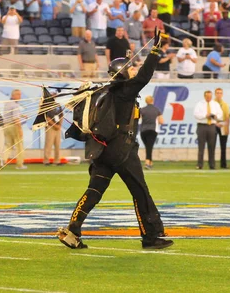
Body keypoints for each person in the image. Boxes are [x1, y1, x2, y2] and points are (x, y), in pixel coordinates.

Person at [58, 28, 173, 250]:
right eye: (129, 70)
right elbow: (144, 75)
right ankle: (151, 236)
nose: (133, 72)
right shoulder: (125, 91)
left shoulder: (106, 91)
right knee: (140, 191)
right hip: (122, 150)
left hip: (103, 150)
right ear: (122, 73)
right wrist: (155, 51)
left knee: (94, 191)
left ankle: (73, 230)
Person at [194, 90, 224, 169]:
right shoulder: (200, 104)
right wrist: (205, 115)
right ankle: (200, 164)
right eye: (207, 96)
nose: (209, 98)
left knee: (212, 146)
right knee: (201, 147)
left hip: (212, 126)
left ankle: (212, 164)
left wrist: (215, 116)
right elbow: (196, 114)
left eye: (210, 96)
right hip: (202, 126)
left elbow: (220, 114)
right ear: (204, 96)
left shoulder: (215, 104)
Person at [4, 89, 27, 170]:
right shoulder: (15, 105)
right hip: (14, 126)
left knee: (8, 145)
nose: (19, 96)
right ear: (13, 95)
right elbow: (15, 119)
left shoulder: (7, 103)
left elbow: (11, 114)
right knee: (19, 145)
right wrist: (20, 129)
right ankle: (20, 164)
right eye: (17, 94)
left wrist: (22, 115)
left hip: (6, 126)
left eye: (20, 94)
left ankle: (2, 161)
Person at [140, 96, 164, 170]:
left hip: (143, 131)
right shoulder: (156, 110)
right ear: (152, 101)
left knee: (148, 146)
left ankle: (150, 162)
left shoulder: (142, 110)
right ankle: (147, 163)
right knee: (149, 147)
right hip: (152, 130)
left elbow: (139, 119)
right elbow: (161, 121)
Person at [215, 88, 230, 169]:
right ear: (215, 94)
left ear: (222, 94)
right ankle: (212, 164)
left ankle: (223, 164)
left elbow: (227, 116)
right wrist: (215, 123)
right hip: (214, 125)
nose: (219, 94)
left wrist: (227, 127)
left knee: (223, 146)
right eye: (217, 93)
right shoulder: (212, 103)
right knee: (212, 145)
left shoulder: (225, 104)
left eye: (220, 93)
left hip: (223, 124)